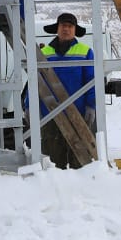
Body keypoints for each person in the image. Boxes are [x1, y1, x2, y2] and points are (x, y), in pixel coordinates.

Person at [36, 12, 96, 170]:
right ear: (57, 28)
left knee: (81, 161)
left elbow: (92, 81)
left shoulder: (85, 52)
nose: (66, 29)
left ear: (75, 30)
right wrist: (30, 106)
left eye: (70, 26)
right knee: (53, 161)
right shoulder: (44, 53)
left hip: (79, 113)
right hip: (50, 113)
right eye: (63, 26)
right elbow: (35, 82)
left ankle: (81, 192)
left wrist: (91, 106)